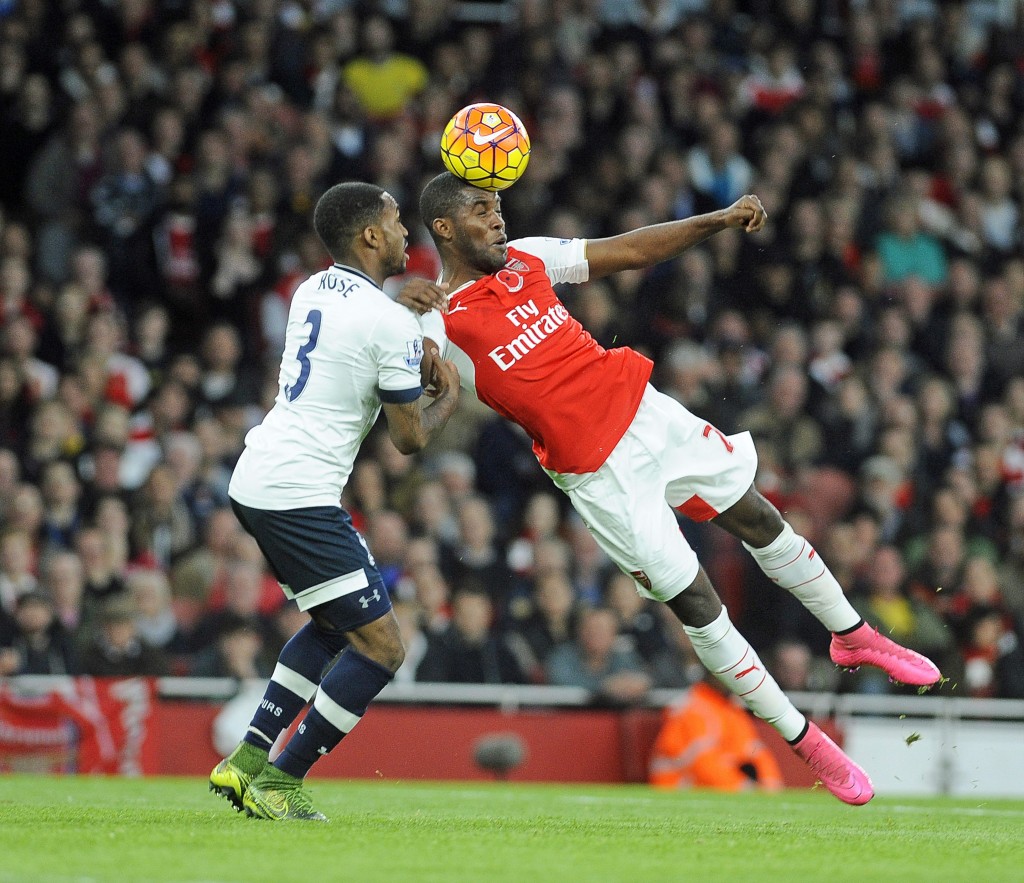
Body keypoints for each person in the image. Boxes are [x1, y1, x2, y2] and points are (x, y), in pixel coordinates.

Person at [411, 171, 945, 806]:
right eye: (480, 210)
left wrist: (714, 221)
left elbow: (629, 249)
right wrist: (403, 316)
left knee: (759, 515)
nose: (498, 219)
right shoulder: (438, 316)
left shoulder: (529, 257)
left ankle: (853, 634)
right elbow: (421, 390)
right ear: (444, 228)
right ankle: (807, 742)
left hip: (646, 412)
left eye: (498, 207)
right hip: (597, 472)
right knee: (697, 602)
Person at [208, 182, 460, 822]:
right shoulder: (389, 323)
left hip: (261, 477)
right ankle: (281, 781)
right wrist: (446, 394)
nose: (408, 234)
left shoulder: (312, 288)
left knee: (329, 626)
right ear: (371, 236)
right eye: (399, 221)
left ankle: (246, 762)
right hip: (299, 494)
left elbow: (364, 330)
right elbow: (407, 441)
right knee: (383, 649)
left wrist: (408, 323)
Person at [648, 671, 784, 793]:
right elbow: (703, 764)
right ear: (713, 672)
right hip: (677, 788)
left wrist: (770, 785)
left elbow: (755, 750)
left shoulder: (731, 708)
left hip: (716, 789)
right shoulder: (692, 708)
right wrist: (744, 788)